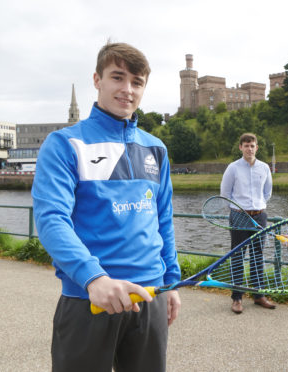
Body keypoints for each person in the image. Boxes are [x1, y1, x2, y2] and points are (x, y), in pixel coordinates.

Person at [32, 42, 181, 372]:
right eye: (118, 77)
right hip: (90, 298)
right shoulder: (64, 144)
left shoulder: (155, 148)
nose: (127, 89)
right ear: (97, 79)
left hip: (150, 295)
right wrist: (93, 278)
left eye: (137, 82)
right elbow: (51, 219)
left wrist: (170, 281)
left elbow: (163, 219)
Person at [220, 133, 275, 314]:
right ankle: (237, 298)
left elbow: (267, 193)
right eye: (246, 145)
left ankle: (258, 295)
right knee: (237, 257)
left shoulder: (264, 168)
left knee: (258, 255)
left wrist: (257, 208)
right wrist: (239, 211)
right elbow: (225, 194)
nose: (249, 149)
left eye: (252, 146)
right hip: (238, 217)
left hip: (259, 216)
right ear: (240, 148)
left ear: (257, 148)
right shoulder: (233, 168)